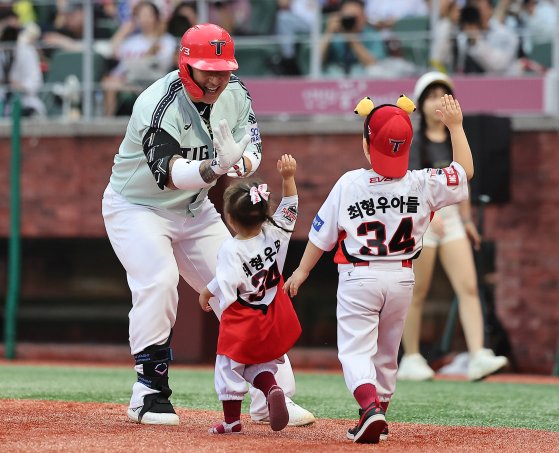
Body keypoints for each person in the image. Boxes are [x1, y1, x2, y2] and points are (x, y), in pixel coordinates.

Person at [101, 23, 315, 427]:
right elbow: (169, 173)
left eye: (223, 68)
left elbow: (252, 148)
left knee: (251, 282)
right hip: (137, 207)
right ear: (186, 65)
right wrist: (214, 166)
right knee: (160, 280)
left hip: (194, 209)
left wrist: (239, 162)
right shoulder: (155, 103)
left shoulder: (236, 93)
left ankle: (271, 394)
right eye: (206, 68)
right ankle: (148, 393)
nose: (216, 78)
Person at [284, 92, 474, 443]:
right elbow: (465, 172)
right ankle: (377, 413)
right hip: (401, 276)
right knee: (387, 352)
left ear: (367, 144)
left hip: (360, 275)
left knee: (356, 350)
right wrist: (456, 126)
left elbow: (322, 236)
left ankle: (369, 407)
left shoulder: (350, 182)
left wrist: (302, 271)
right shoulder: (422, 181)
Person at [397, 71, 509, 382]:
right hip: (424, 222)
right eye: (431, 95)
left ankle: (478, 355)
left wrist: (468, 220)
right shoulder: (414, 140)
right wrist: (431, 216)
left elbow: (462, 178)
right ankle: (412, 357)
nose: (438, 101)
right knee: (416, 291)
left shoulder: (454, 137)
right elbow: (412, 184)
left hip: (454, 221)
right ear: (421, 103)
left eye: (443, 95)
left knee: (470, 287)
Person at [199, 154, 302, 434]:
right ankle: (271, 388)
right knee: (257, 363)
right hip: (272, 314)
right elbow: (291, 205)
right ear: (265, 210)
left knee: (228, 367)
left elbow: (227, 285)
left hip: (244, 317)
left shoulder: (231, 249)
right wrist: (288, 178)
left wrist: (206, 293)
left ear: (230, 219)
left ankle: (232, 422)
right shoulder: (276, 231)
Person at [320, 0, 386, 77]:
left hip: (364, 78)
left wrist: (351, 38)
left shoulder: (372, 35)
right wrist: (328, 33)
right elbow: (316, 61)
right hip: (333, 78)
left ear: (364, 17)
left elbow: (374, 65)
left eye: (354, 18)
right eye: (347, 17)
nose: (350, 21)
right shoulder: (334, 35)